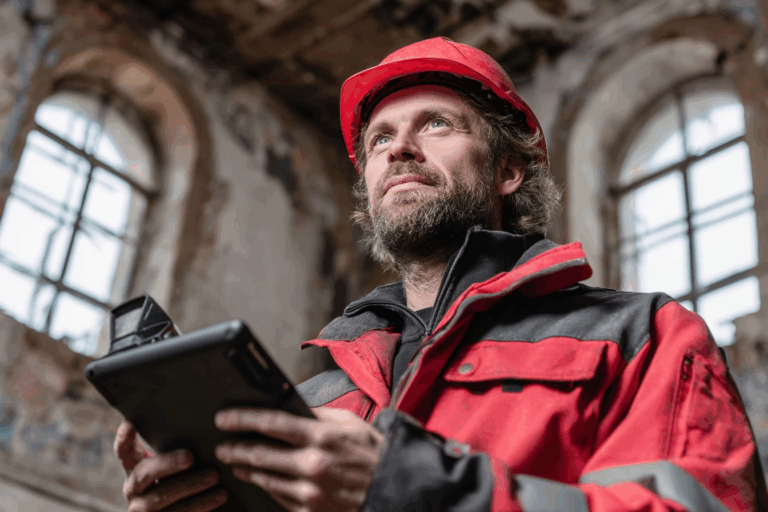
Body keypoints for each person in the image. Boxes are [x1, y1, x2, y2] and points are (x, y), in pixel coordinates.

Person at [114, 37, 768, 512]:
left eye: (436, 123)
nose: (399, 147)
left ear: (508, 171)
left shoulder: (645, 339)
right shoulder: (312, 407)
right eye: (379, 139)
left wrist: (414, 487)